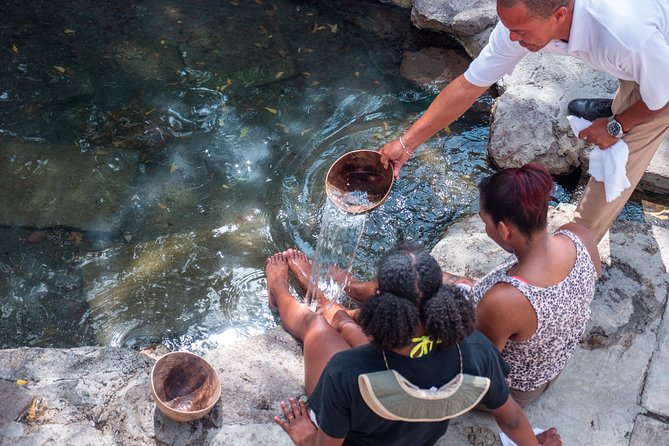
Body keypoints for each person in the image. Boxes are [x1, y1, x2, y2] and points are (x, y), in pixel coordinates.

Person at [284, 163, 601, 408]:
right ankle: (353, 290)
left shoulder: (506, 301)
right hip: (544, 357)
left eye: (485, 220)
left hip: (515, 386)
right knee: (417, 275)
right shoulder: (578, 236)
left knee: (386, 329)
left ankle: (333, 306)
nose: (485, 225)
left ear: (504, 230)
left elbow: (470, 367)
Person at [379, 0, 669, 244]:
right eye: (508, 27)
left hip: (659, 61)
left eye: (520, 31)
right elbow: (469, 86)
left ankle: (577, 255)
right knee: (638, 77)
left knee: (618, 154)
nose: (511, 38)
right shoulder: (523, 25)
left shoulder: (624, 37)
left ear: (559, 16)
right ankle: (629, 92)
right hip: (647, 51)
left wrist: (615, 126)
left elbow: (665, 99)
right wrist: (407, 144)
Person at [266, 246, 562, 446]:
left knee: (316, 326)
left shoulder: (346, 373)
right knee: (345, 325)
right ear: (441, 294)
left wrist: (307, 437)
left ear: (380, 297)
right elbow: (510, 419)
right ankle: (322, 298)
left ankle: (280, 291)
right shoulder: (477, 353)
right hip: (420, 437)